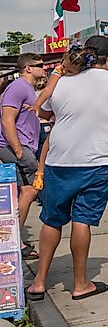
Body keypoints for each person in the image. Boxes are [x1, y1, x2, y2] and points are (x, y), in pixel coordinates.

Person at [26, 36, 108, 301]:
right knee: (82, 219)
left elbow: (44, 113)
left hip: (61, 160)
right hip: (98, 162)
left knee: (51, 219)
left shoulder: (62, 82)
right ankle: (80, 284)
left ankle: (39, 282)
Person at [0, 53, 47, 260]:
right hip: (16, 146)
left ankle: (13, 239)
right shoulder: (19, 87)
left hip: (22, 145)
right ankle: (13, 240)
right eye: (40, 65)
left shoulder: (28, 88)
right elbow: (7, 120)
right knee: (29, 190)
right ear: (28, 68)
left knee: (26, 191)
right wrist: (19, 151)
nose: (44, 68)